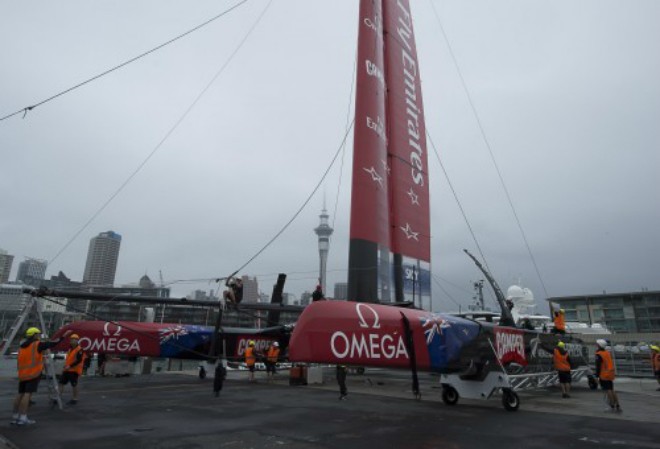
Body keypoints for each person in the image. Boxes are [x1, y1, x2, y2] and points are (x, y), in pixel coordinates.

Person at [12, 327, 70, 426]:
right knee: (27, 394)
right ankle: (23, 417)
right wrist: (63, 337)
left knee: (20, 394)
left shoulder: (22, 346)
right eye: (38, 334)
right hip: (33, 374)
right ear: (35, 335)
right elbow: (53, 343)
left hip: (22, 375)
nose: (39, 336)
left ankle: (15, 416)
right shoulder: (37, 344)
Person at [58, 334, 85, 405]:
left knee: (74, 385)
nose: (72, 341)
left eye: (74, 339)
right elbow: (69, 359)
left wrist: (69, 366)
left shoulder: (80, 349)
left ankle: (75, 398)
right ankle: (58, 397)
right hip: (67, 369)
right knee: (61, 383)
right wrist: (66, 365)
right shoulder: (70, 349)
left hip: (74, 370)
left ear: (77, 341)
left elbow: (79, 360)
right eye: (71, 339)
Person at [595, 339, 621, 413]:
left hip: (604, 374)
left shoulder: (599, 354)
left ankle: (612, 405)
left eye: (597, 344)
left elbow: (598, 366)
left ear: (599, 345)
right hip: (610, 372)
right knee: (612, 389)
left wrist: (597, 376)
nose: (596, 345)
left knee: (608, 390)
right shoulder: (607, 352)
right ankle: (617, 405)